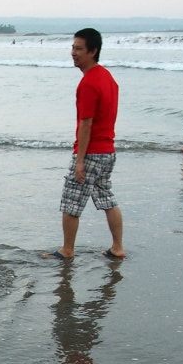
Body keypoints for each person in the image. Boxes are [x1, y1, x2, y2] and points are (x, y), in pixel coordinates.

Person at [47, 28, 125, 260]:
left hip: (91, 152)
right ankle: (117, 247)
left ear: (93, 51)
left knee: (72, 201)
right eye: (73, 47)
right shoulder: (107, 77)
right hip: (107, 151)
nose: (73, 52)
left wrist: (80, 160)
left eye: (79, 48)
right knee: (107, 198)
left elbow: (86, 124)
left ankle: (67, 250)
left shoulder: (89, 83)